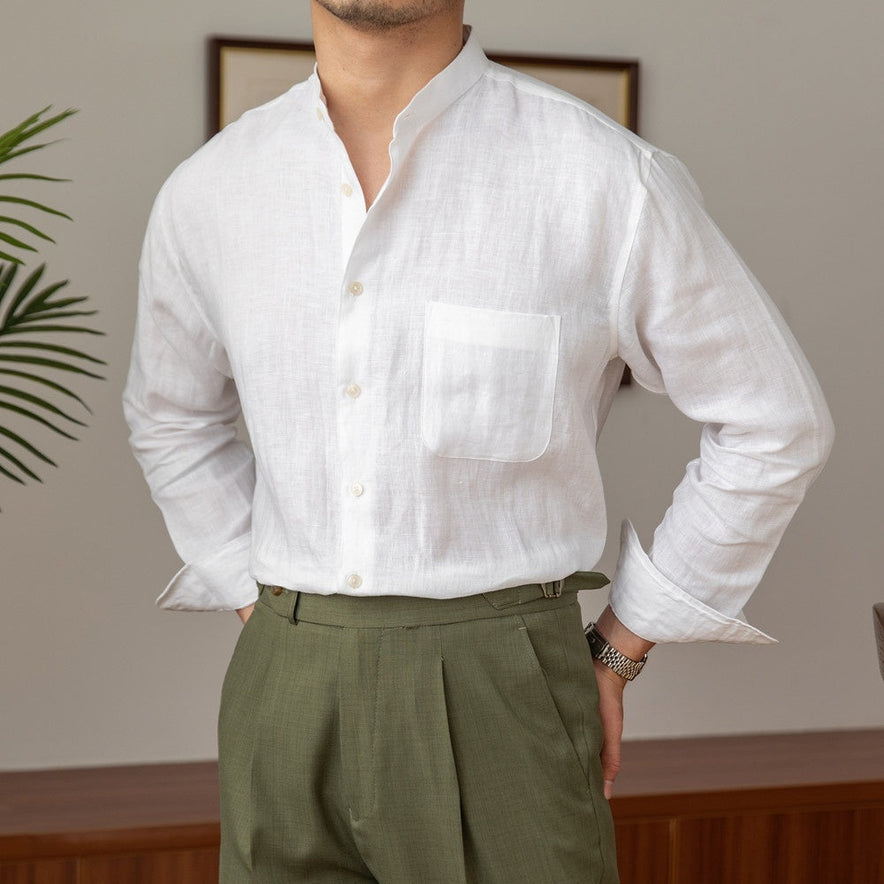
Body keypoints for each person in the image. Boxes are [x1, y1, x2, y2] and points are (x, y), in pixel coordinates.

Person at [123, 1, 834, 881]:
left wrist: (625, 642)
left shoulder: (603, 177)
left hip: (501, 688)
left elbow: (775, 420)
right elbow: (170, 416)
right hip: (282, 677)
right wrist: (255, 598)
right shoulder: (208, 192)